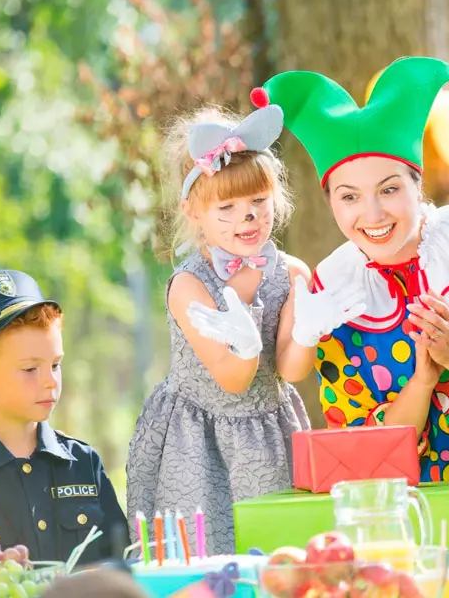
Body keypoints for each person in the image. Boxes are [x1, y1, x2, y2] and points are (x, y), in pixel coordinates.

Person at [251, 56, 449, 481]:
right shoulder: (333, 294)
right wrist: (422, 382)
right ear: (330, 200)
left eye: (389, 189)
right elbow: (366, 458)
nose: (372, 214)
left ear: (417, 184)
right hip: (410, 521)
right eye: (349, 196)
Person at [126, 105, 365, 555]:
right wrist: (245, 342)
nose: (248, 217)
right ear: (193, 210)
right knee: (206, 557)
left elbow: (291, 370)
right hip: (197, 440)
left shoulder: (291, 272)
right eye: (228, 206)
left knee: (280, 552)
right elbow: (232, 379)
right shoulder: (190, 285)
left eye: (259, 201)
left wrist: (308, 334)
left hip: (271, 432)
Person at [0, 270, 128, 565]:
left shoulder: (83, 463)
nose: (50, 381)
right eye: (30, 369)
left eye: (56, 365)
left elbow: (123, 565)